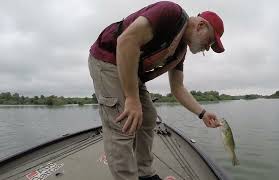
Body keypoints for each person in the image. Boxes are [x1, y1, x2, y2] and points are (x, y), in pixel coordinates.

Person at [88, 1, 225, 180]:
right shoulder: (170, 13)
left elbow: (177, 88)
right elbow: (126, 41)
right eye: (210, 41)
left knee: (148, 116)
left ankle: (144, 174)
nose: (208, 48)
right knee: (123, 124)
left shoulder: (179, 52)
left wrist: (203, 113)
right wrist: (131, 98)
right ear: (200, 26)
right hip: (107, 60)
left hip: (130, 70)